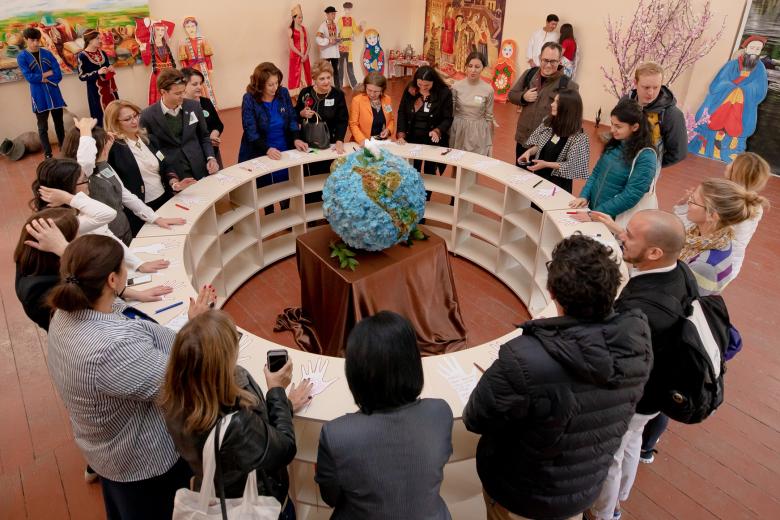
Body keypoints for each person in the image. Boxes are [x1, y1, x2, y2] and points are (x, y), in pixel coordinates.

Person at [463, 234, 652, 520]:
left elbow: (476, 417)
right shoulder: (637, 336)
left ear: (551, 291)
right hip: (583, 485)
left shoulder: (525, 358)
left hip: (523, 493)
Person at [46, 234, 216, 520]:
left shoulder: (62, 315)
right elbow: (180, 383)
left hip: (104, 449)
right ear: (112, 280)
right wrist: (197, 328)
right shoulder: (114, 348)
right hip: (142, 461)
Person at [584, 210, 691, 520]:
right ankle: (621, 497)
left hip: (637, 394)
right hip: (655, 391)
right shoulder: (679, 272)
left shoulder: (642, 308)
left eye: (630, 236)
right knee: (631, 442)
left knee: (610, 455)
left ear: (655, 252)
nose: (621, 237)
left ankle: (605, 512)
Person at [161, 310, 312, 520]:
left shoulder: (173, 400)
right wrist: (276, 390)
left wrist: (285, 404)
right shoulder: (238, 423)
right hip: (257, 503)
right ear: (221, 364)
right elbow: (284, 448)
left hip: (216, 491)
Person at [315, 311, 453, 519]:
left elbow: (330, 498)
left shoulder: (335, 435)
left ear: (355, 373)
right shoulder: (440, 412)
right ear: (413, 363)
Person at [15, 209, 173, 331]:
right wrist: (66, 250)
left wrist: (137, 294)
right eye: (76, 237)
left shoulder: (36, 262)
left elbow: (93, 283)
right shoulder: (37, 289)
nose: (80, 241)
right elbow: (90, 296)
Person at [31, 158, 168, 274]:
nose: (88, 184)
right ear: (66, 187)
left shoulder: (78, 207)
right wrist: (70, 198)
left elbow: (107, 234)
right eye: (84, 180)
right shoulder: (61, 220)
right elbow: (108, 214)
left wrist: (139, 264)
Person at [61, 118, 185, 244]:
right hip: (104, 237)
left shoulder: (104, 164)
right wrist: (85, 129)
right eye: (101, 146)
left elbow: (125, 194)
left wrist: (155, 218)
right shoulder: (81, 174)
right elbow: (86, 161)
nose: (106, 148)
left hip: (123, 229)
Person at [104, 99, 197, 235]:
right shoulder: (114, 149)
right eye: (128, 119)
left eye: (136, 115)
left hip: (164, 199)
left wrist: (174, 183)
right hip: (138, 209)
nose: (135, 121)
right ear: (115, 123)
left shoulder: (149, 139)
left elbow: (166, 165)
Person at [238, 62, 308, 214]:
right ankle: (268, 212)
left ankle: (286, 213)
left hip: (283, 146)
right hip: (260, 149)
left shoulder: (282, 93)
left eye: (276, 83)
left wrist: (296, 138)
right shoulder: (249, 99)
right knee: (265, 188)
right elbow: (250, 130)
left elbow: (291, 117)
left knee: (286, 184)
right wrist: (267, 149)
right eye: (270, 85)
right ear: (259, 84)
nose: (274, 88)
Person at [569, 100, 657, 219]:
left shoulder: (646, 156)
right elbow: (596, 173)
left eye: (618, 126)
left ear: (635, 127)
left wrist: (594, 215)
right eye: (612, 124)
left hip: (614, 219)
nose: (612, 130)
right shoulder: (614, 143)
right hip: (596, 211)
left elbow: (630, 196)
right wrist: (584, 196)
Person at [689, 36, 768, 163]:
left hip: (743, 103)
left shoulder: (760, 69)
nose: (754, 51)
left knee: (738, 126)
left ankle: (728, 148)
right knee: (712, 120)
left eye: (758, 49)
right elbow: (719, 82)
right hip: (724, 101)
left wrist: (743, 90)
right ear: (746, 48)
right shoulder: (731, 65)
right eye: (752, 48)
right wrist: (732, 88)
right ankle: (707, 144)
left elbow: (760, 89)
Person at [140, 68, 219, 181]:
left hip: (199, 166)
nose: (182, 96)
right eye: (177, 93)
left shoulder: (194, 106)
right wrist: (168, 174)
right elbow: (149, 148)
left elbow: (204, 136)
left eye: (183, 91)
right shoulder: (147, 116)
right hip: (174, 173)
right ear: (163, 92)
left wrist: (211, 158)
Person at [509, 42, 578, 162]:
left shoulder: (568, 85)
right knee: (519, 176)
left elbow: (571, 117)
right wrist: (523, 97)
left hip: (546, 145)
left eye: (553, 61)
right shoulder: (529, 74)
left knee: (540, 179)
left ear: (559, 61)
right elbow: (511, 95)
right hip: (523, 138)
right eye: (545, 60)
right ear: (540, 58)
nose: (548, 65)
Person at [295, 60, 348, 203]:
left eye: (328, 77)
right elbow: (294, 114)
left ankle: (328, 207)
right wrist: (301, 113)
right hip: (308, 143)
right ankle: (311, 208)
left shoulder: (337, 95)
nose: (326, 82)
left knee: (328, 176)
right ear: (314, 80)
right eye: (322, 79)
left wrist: (339, 140)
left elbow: (343, 120)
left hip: (329, 143)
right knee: (310, 178)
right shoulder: (305, 93)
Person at [518, 88, 590, 193]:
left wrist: (546, 164)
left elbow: (572, 165)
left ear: (567, 108)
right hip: (539, 177)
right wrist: (528, 152)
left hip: (557, 186)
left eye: (557, 102)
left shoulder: (579, 137)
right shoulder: (548, 122)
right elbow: (539, 145)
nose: (552, 104)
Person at [396, 66, 453, 198]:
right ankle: (413, 199)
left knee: (429, 171)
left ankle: (426, 199)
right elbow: (402, 112)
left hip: (431, 140)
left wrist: (438, 131)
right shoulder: (411, 89)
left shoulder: (444, 93)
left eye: (426, 85)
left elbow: (448, 118)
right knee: (411, 169)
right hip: (412, 137)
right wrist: (401, 134)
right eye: (420, 84)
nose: (422, 87)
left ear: (434, 82)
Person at [622, 62, 687, 168]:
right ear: (635, 83)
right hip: (618, 162)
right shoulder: (625, 102)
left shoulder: (672, 115)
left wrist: (652, 165)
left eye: (656, 87)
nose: (651, 92)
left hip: (644, 172)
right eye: (646, 87)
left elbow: (678, 153)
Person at [17, 27, 66, 159]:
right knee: (42, 126)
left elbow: (58, 73)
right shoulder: (22, 57)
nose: (36, 43)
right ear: (26, 40)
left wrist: (41, 76)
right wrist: (46, 74)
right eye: (32, 40)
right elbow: (29, 77)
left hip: (54, 93)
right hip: (39, 96)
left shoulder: (47, 53)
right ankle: (48, 154)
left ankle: (64, 148)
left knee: (59, 123)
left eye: (37, 40)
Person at [449, 51, 494, 156]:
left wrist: (489, 141)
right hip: (459, 129)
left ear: (483, 68)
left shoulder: (488, 90)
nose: (473, 70)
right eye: (470, 66)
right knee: (457, 163)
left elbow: (489, 117)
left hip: (478, 130)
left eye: (477, 67)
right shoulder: (456, 86)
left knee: (473, 163)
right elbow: (451, 111)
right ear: (466, 67)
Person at [182, 66, 225, 168]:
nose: (200, 87)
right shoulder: (180, 107)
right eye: (194, 84)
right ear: (183, 85)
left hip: (213, 152)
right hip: (195, 157)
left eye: (201, 83)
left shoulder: (206, 102)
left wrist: (213, 135)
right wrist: (206, 141)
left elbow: (218, 124)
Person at [77, 29, 118, 124]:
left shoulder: (102, 53)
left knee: (114, 111)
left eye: (100, 38)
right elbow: (82, 76)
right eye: (97, 38)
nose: (100, 41)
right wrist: (97, 72)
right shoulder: (82, 56)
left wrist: (110, 67)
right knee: (100, 115)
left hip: (109, 89)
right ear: (90, 40)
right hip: (96, 92)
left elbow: (107, 66)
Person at [348, 72, 395, 143]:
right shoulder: (357, 101)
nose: (372, 94)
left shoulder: (387, 99)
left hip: (381, 141)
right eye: (369, 90)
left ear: (382, 90)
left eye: (376, 91)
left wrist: (388, 130)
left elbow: (391, 119)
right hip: (362, 142)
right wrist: (362, 140)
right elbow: (353, 124)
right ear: (365, 87)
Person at [288, 4, 312, 90]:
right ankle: (296, 92)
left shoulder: (305, 29)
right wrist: (301, 55)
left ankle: (306, 90)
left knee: (306, 72)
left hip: (305, 55)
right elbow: (291, 46)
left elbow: (309, 43)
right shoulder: (290, 30)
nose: (301, 19)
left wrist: (305, 54)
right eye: (299, 17)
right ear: (294, 18)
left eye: (302, 17)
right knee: (296, 74)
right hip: (295, 55)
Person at [336, 2, 359, 89]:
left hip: (349, 47)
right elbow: (337, 31)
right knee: (340, 67)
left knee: (350, 66)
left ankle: (354, 85)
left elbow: (356, 31)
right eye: (346, 9)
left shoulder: (352, 20)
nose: (348, 11)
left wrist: (360, 28)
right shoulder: (340, 19)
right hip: (341, 46)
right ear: (344, 9)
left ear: (351, 10)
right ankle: (339, 86)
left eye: (349, 9)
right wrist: (339, 39)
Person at [316, 6, 340, 86]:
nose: (334, 15)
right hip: (326, 52)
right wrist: (328, 41)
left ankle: (338, 88)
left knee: (336, 70)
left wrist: (339, 40)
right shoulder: (323, 26)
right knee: (324, 71)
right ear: (327, 14)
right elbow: (318, 39)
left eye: (334, 13)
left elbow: (338, 36)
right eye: (332, 13)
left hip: (335, 52)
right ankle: (324, 87)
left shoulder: (336, 25)